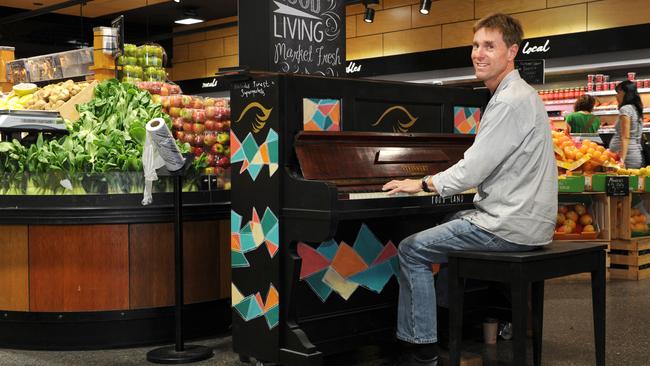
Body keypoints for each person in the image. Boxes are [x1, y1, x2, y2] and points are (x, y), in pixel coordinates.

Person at [381, 13, 558, 366]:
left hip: (509, 226)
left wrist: (422, 182)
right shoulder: (519, 94)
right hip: (525, 220)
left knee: (412, 249)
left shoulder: (507, 101)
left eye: (489, 46)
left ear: (512, 52)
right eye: (475, 45)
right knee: (449, 218)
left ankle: (422, 350)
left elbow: (473, 168)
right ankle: (448, 328)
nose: (478, 53)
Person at [608, 80, 645, 168]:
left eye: (618, 92)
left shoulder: (625, 109)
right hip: (633, 153)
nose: (616, 95)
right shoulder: (635, 108)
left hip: (627, 157)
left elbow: (625, 136)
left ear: (626, 93)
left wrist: (621, 160)